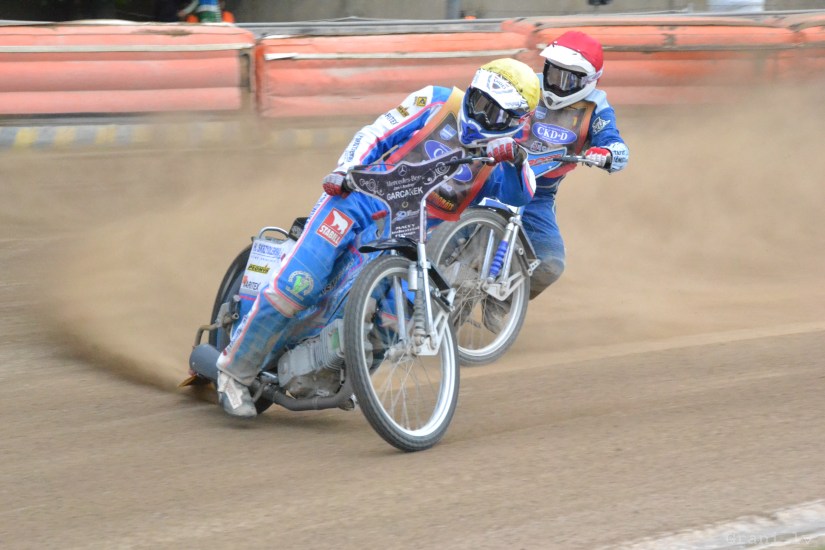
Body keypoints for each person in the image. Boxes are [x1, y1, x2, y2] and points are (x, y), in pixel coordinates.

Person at [216, 58, 541, 418]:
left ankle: (348, 377)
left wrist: (515, 159)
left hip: (408, 237)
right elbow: (377, 132)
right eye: (478, 101)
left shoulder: (504, 157)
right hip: (357, 199)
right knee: (299, 284)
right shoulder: (437, 100)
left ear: (515, 121)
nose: (479, 115)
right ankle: (233, 374)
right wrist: (345, 169)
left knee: (392, 321)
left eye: (493, 112)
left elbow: (522, 194)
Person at [517, 30, 629, 301]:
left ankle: (501, 301)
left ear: (589, 81)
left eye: (568, 78)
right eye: (553, 72)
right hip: (492, 174)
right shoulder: (525, 83)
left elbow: (615, 144)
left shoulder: (597, 108)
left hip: (537, 195)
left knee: (551, 263)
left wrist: (607, 153)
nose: (557, 83)